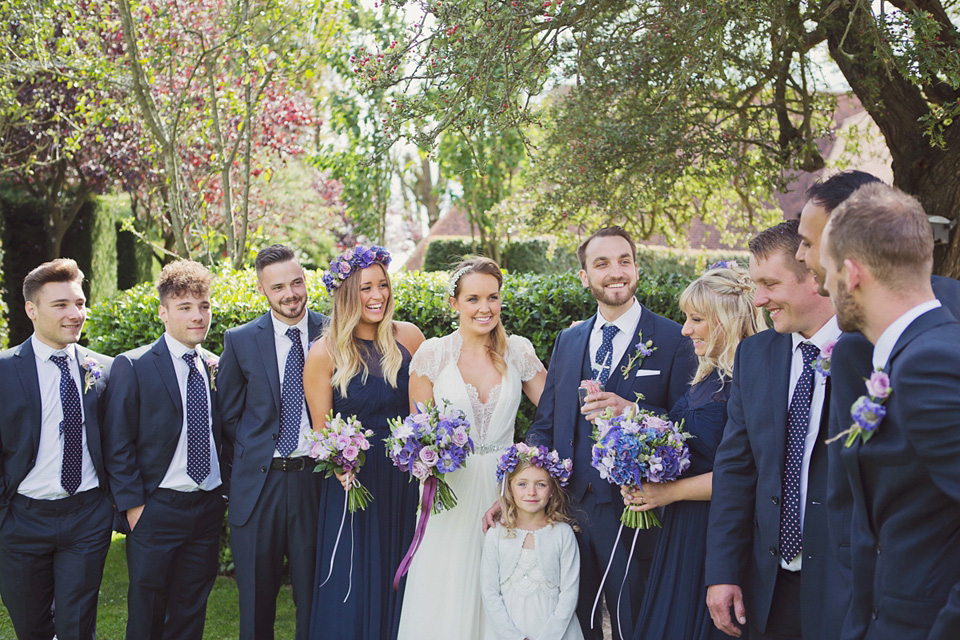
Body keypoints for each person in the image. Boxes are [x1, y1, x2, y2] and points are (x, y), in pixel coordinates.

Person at [794, 169, 960, 639]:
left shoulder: (930, 365)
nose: (823, 288)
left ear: (852, 274)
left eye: (825, 271)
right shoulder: (909, 352)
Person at [515, 226, 697, 639]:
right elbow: (546, 423)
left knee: (636, 618)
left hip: (636, 510)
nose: (616, 272)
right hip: (569, 508)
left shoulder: (673, 338)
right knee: (572, 619)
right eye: (602, 264)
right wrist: (526, 488)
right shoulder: (568, 340)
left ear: (636, 267)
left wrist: (633, 409)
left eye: (624, 261)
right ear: (584, 276)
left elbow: (690, 426)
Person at [397, 256, 548, 640]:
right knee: (447, 585)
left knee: (509, 584)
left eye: (493, 297)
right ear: (455, 303)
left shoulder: (518, 352)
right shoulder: (432, 355)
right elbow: (418, 430)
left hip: (506, 486)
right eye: (474, 299)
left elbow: (555, 413)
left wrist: (529, 465)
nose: (485, 308)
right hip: (451, 489)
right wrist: (426, 458)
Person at [705, 220, 839, 640]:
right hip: (767, 587)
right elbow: (736, 471)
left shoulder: (871, 353)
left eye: (770, 284)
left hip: (845, 587)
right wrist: (723, 572)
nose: (759, 299)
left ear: (814, 277)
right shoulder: (754, 354)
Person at [621, 263, 766, 640]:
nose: (685, 330)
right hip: (683, 529)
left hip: (718, 531)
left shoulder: (747, 384)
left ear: (726, 320)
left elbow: (746, 474)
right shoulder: (709, 376)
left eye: (696, 319)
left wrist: (667, 492)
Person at [304, 245, 425, 640]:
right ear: (346, 295)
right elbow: (323, 432)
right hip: (355, 485)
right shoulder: (323, 354)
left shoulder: (409, 338)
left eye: (383, 286)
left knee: (403, 572)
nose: (378, 296)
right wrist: (340, 464)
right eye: (366, 288)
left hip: (406, 480)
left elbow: (424, 415)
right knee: (355, 580)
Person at [104, 260, 227, 640]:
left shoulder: (217, 366)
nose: (197, 316)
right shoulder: (135, 365)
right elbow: (117, 442)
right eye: (185, 307)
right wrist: (134, 508)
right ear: (163, 312)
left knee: (191, 611)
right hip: (156, 509)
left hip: (206, 508)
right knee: (148, 612)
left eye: (204, 306)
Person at [216, 245, 328, 640]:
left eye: (296, 282)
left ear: (306, 280)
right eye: (278, 287)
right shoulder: (241, 340)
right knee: (255, 603)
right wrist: (249, 459)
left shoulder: (333, 331)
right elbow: (228, 415)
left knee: (315, 597)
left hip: (314, 482)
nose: (290, 293)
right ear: (264, 290)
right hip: (258, 487)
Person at [0, 259, 114, 640]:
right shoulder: (3, 370)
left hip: (86, 518)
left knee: (77, 628)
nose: (75, 314)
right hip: (20, 521)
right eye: (61, 305)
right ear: (31, 310)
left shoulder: (104, 369)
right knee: (31, 628)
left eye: (79, 303)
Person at [480, 444, 583, 640]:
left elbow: (570, 594)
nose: (532, 492)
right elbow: (489, 592)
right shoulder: (497, 535)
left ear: (552, 489)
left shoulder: (563, 534)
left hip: (557, 632)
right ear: (508, 488)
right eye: (522, 484)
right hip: (505, 632)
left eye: (541, 484)